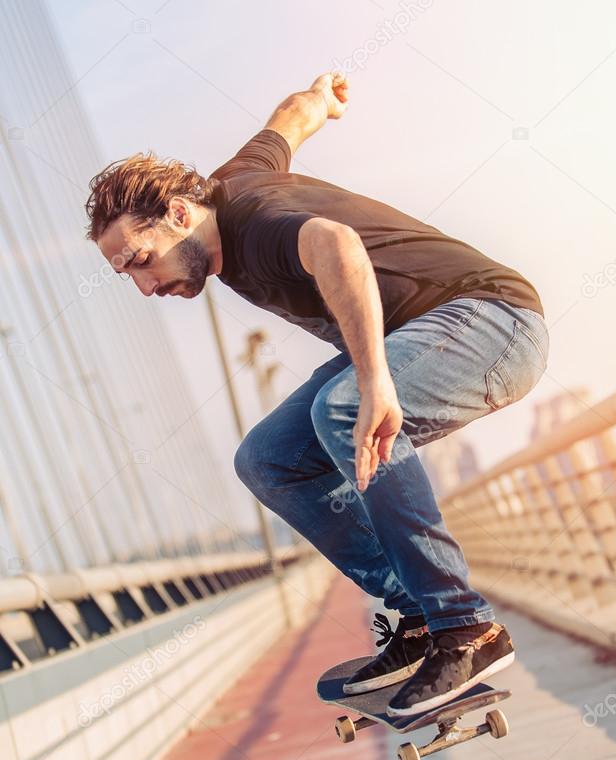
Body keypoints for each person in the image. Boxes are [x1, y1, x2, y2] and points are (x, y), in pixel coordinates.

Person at [85, 72, 548, 717]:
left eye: (140, 260)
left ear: (179, 216)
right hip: (431, 333)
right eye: (125, 274)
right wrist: (321, 100)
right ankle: (417, 614)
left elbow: (337, 244)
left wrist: (374, 379)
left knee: (343, 407)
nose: (144, 285)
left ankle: (464, 626)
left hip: (494, 323)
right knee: (266, 459)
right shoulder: (236, 177)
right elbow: (288, 121)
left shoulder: (256, 222)